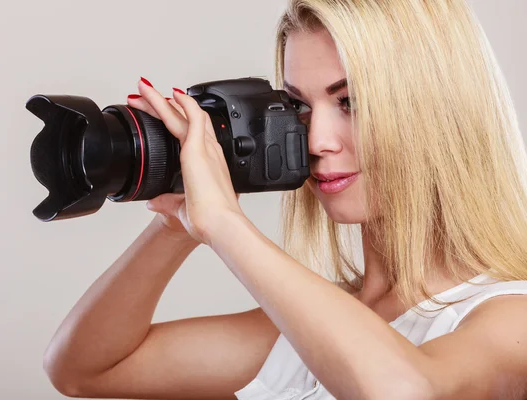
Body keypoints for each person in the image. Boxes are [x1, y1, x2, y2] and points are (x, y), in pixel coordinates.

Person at [42, 0, 527, 398]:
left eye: (350, 102)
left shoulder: (508, 318)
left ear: (440, 112)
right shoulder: (312, 324)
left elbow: (401, 391)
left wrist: (227, 225)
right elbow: (84, 368)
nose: (316, 140)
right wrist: (176, 220)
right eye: (297, 106)